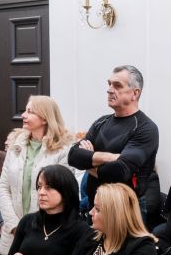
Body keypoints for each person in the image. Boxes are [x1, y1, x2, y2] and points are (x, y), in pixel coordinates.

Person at [67, 65, 161, 218]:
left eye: (117, 85)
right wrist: (108, 157)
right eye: (109, 84)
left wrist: (89, 160)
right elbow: (73, 156)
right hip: (94, 207)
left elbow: (120, 171)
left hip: (125, 211)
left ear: (135, 93)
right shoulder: (101, 122)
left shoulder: (146, 128)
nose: (110, 90)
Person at [0, 95, 75, 255]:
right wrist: (14, 225)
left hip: (45, 230)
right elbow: (3, 187)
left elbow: (62, 192)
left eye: (30, 112)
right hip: (12, 230)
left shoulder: (63, 149)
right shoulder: (16, 145)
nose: (23, 115)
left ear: (45, 118)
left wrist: (32, 227)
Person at [4, 165, 92, 255]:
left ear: (65, 191)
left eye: (49, 187)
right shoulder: (28, 221)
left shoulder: (81, 230)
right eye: (39, 187)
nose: (41, 192)